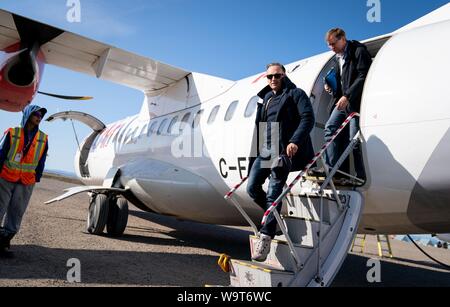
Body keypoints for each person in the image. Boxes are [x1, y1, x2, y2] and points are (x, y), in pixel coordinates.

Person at [247, 63, 315, 262]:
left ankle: (266, 236)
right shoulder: (266, 99)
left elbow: (308, 118)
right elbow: (259, 130)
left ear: (284, 75)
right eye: (269, 77)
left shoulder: (296, 94)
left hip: (283, 149)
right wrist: (253, 160)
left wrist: (295, 141)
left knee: (273, 192)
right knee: (252, 188)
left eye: (277, 76)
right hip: (266, 149)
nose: (273, 80)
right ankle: (275, 219)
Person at [323, 28, 372, 181]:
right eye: (329, 45)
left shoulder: (358, 51)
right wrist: (331, 87)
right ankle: (333, 170)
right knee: (330, 129)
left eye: (333, 44)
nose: (331, 48)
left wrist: (348, 96)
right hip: (342, 102)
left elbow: (364, 75)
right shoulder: (337, 58)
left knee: (353, 140)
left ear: (343, 39)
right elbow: (341, 80)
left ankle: (360, 176)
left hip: (355, 103)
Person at [0, 105, 49, 258]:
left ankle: (4, 243)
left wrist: (37, 177)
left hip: (26, 181)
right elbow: (1, 153)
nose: (39, 117)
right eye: (36, 114)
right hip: (6, 177)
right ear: (28, 114)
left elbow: (41, 160)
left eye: (41, 115)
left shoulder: (43, 138)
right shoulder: (12, 132)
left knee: (16, 212)